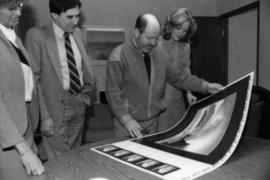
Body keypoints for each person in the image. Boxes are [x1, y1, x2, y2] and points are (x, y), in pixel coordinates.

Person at [106, 13, 223, 138]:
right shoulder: (118, 55)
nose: (153, 43)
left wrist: (205, 86)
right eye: (149, 38)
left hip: (152, 123)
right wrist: (127, 120)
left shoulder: (160, 55)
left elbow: (180, 78)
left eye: (156, 38)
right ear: (136, 32)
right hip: (127, 125)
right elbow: (112, 93)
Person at [25, 0, 94, 160]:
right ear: (54, 15)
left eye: (77, 16)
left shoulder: (77, 33)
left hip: (79, 102)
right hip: (54, 107)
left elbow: (83, 68)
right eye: (70, 17)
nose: (76, 21)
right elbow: (33, 81)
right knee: (59, 160)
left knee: (75, 155)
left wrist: (85, 97)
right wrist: (44, 116)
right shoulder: (36, 36)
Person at [0, 0, 45, 179]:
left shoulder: (12, 36)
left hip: (24, 124)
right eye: (11, 8)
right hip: (8, 134)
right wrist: (24, 150)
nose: (18, 13)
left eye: (19, 6)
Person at [159, 8, 198, 130]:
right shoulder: (157, 43)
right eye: (178, 28)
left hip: (177, 97)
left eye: (185, 30)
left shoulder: (185, 47)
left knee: (176, 132)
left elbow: (186, 70)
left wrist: (189, 93)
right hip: (160, 97)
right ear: (170, 26)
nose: (181, 33)